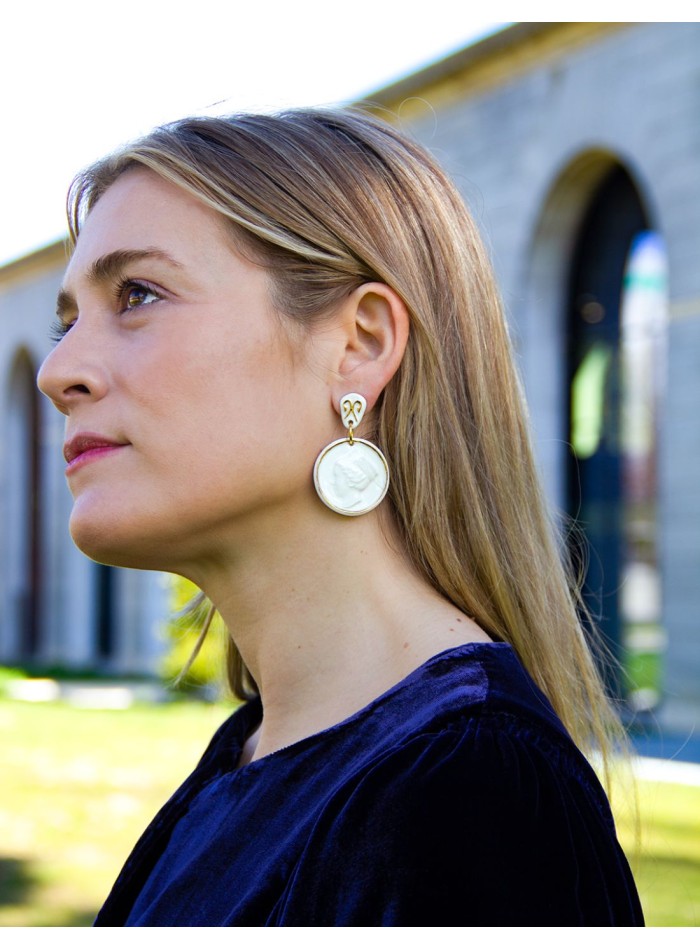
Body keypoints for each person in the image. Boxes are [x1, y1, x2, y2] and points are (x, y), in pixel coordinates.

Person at [37, 108, 644, 926]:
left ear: (358, 343)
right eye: (67, 323)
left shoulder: (473, 790)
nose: (58, 371)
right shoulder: (255, 758)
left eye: (137, 294)